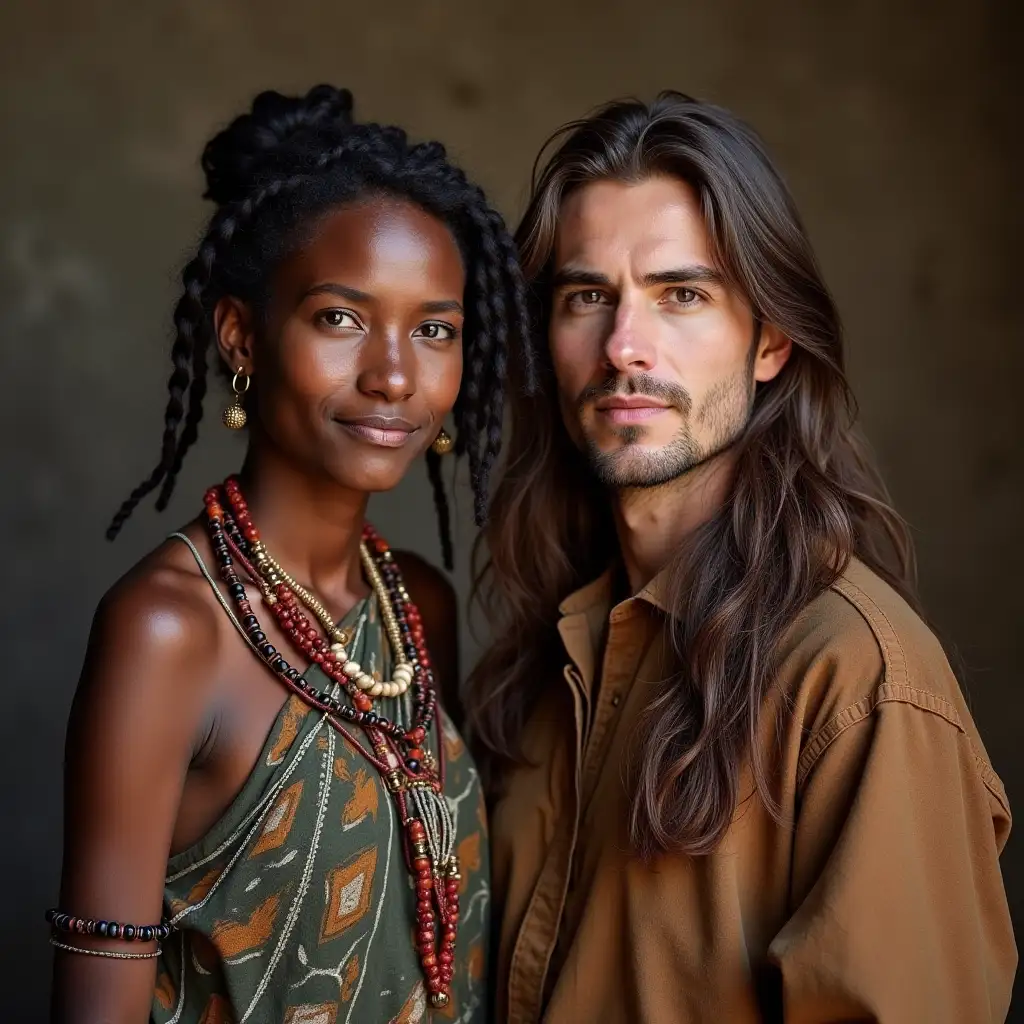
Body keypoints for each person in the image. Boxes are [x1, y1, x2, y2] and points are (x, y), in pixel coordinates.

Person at [469, 92, 1016, 1023]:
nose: (623, 348)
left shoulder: (858, 683)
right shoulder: (544, 660)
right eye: (587, 297)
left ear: (770, 341)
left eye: (682, 294)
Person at [51, 84, 531, 1024]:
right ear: (241, 336)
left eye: (435, 329)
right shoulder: (168, 632)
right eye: (341, 318)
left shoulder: (415, 613)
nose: (395, 374)